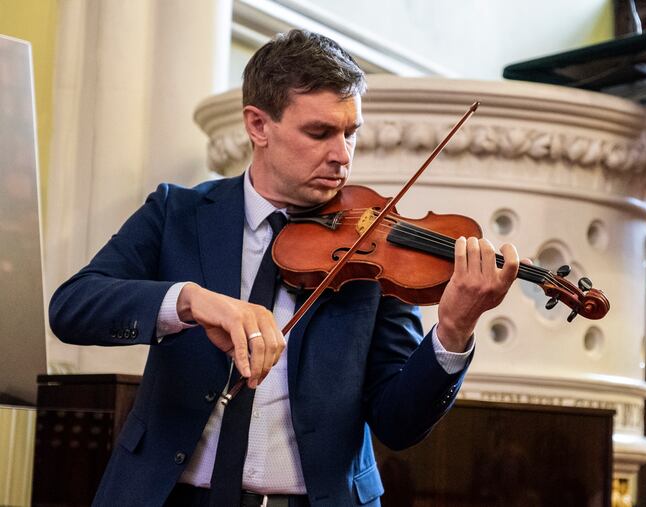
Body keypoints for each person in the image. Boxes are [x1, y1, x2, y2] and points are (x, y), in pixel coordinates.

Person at [49, 29, 520, 507]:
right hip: (174, 496)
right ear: (258, 125)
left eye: (350, 133)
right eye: (319, 133)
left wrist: (455, 329)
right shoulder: (178, 214)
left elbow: (399, 424)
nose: (341, 155)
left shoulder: (373, 246)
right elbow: (72, 306)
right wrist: (190, 301)